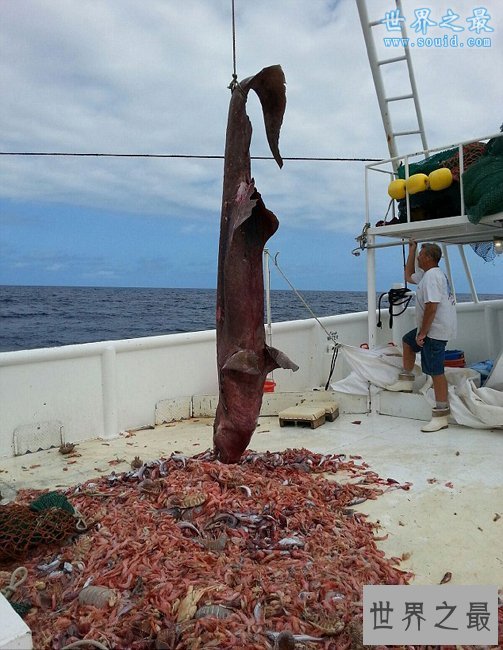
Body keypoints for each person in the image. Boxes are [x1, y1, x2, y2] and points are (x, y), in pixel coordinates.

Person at [386, 241, 457, 432]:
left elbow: (432, 307)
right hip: (429, 329)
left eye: (420, 254)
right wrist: (411, 250)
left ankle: (441, 414)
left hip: (435, 331)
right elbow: (408, 276)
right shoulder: (428, 275)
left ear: (428, 258)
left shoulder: (433, 277)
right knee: (407, 341)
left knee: (436, 371)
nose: (418, 257)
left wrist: (423, 333)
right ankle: (405, 380)